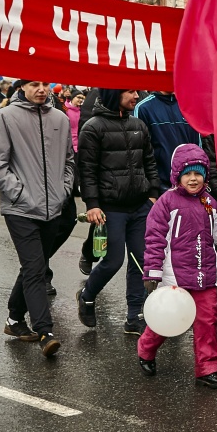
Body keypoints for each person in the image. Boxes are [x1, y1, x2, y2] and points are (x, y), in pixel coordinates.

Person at [139, 144, 217, 389]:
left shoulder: (209, 202)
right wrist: (152, 273)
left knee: (207, 322)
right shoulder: (166, 203)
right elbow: (155, 239)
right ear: (177, 175)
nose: (193, 179)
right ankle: (146, 349)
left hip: (205, 277)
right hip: (174, 278)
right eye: (187, 174)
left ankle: (208, 369)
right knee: (166, 321)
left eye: (198, 173)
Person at [0, 80, 75, 357]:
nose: (41, 89)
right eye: (34, 84)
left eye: (45, 84)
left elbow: (69, 162)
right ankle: (45, 332)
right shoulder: (5, 116)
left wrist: (63, 191)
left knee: (33, 265)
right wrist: (20, 194)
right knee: (36, 268)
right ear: (21, 87)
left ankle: (14, 318)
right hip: (20, 210)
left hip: (53, 208)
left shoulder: (60, 118)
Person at [77, 89, 160, 336]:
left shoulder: (138, 125)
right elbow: (87, 170)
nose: (136, 95)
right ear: (115, 94)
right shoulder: (93, 127)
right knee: (113, 261)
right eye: (130, 91)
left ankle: (134, 315)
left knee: (140, 261)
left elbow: (149, 161)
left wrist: (152, 194)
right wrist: (92, 204)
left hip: (140, 207)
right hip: (110, 209)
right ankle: (87, 296)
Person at [133, 91, 202, 191]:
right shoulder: (144, 108)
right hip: (161, 187)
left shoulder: (190, 106)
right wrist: (153, 189)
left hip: (190, 185)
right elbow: (140, 154)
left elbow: (198, 150)